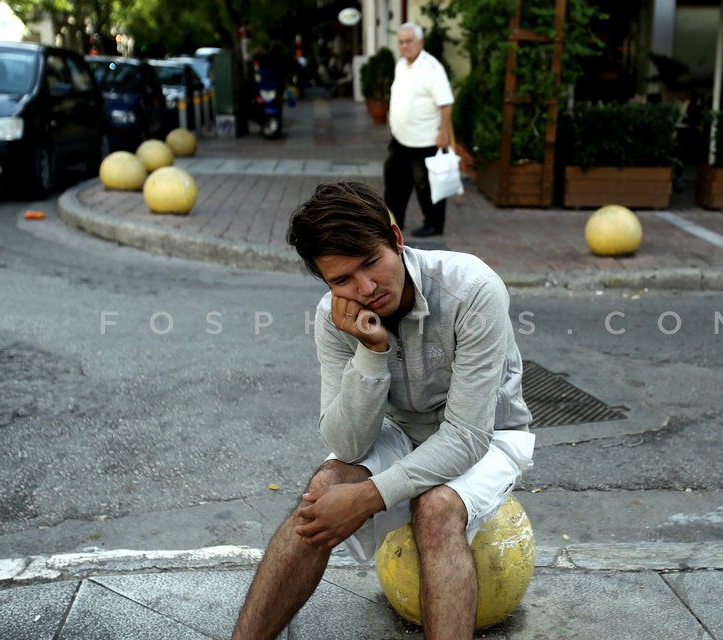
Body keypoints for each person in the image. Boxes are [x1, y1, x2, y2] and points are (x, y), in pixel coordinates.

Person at [231, 181, 535, 640]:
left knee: (436, 507)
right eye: (342, 279)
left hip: (490, 435)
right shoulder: (334, 317)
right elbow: (346, 443)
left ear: (395, 239)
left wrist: (370, 496)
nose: (366, 288)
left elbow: (468, 436)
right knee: (324, 486)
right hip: (403, 431)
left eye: (371, 262)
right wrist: (371, 351)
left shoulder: (472, 289)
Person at [384, 22, 455, 238]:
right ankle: (394, 222)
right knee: (395, 183)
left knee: (427, 187)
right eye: (401, 42)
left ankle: (434, 224)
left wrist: (443, 133)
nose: (404, 46)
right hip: (400, 139)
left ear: (420, 42)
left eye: (409, 41)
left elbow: (446, 103)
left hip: (425, 140)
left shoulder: (432, 68)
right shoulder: (400, 65)